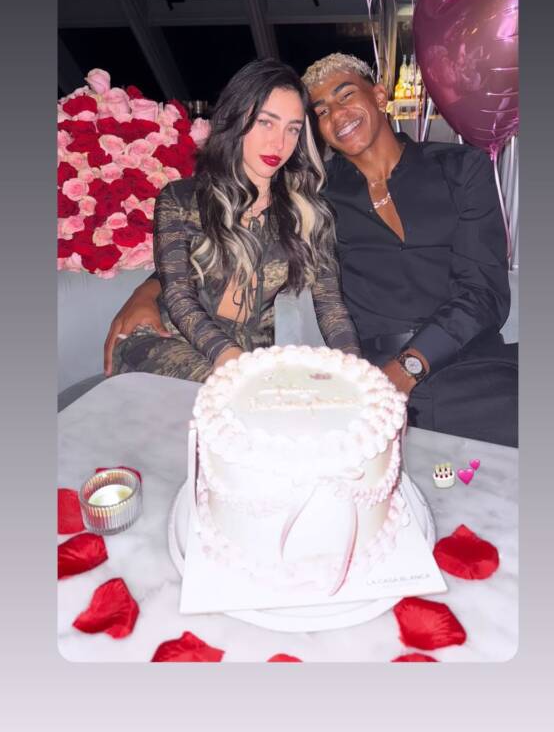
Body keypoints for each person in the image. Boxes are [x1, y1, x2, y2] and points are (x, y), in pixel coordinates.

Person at [106, 53, 517, 446]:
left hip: (463, 363)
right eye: (320, 111)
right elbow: (197, 260)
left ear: (378, 95)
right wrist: (149, 288)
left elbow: (482, 292)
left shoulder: (456, 170)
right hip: (360, 364)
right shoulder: (318, 193)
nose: (336, 115)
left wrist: (388, 369)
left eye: (345, 95)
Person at [108, 58, 360, 383]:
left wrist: (356, 372)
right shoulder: (180, 199)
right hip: (170, 343)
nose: (279, 143)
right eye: (265, 122)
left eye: (292, 129)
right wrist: (231, 359)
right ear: (236, 117)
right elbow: (178, 296)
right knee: (234, 391)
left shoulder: (309, 212)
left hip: (252, 357)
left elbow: (331, 307)